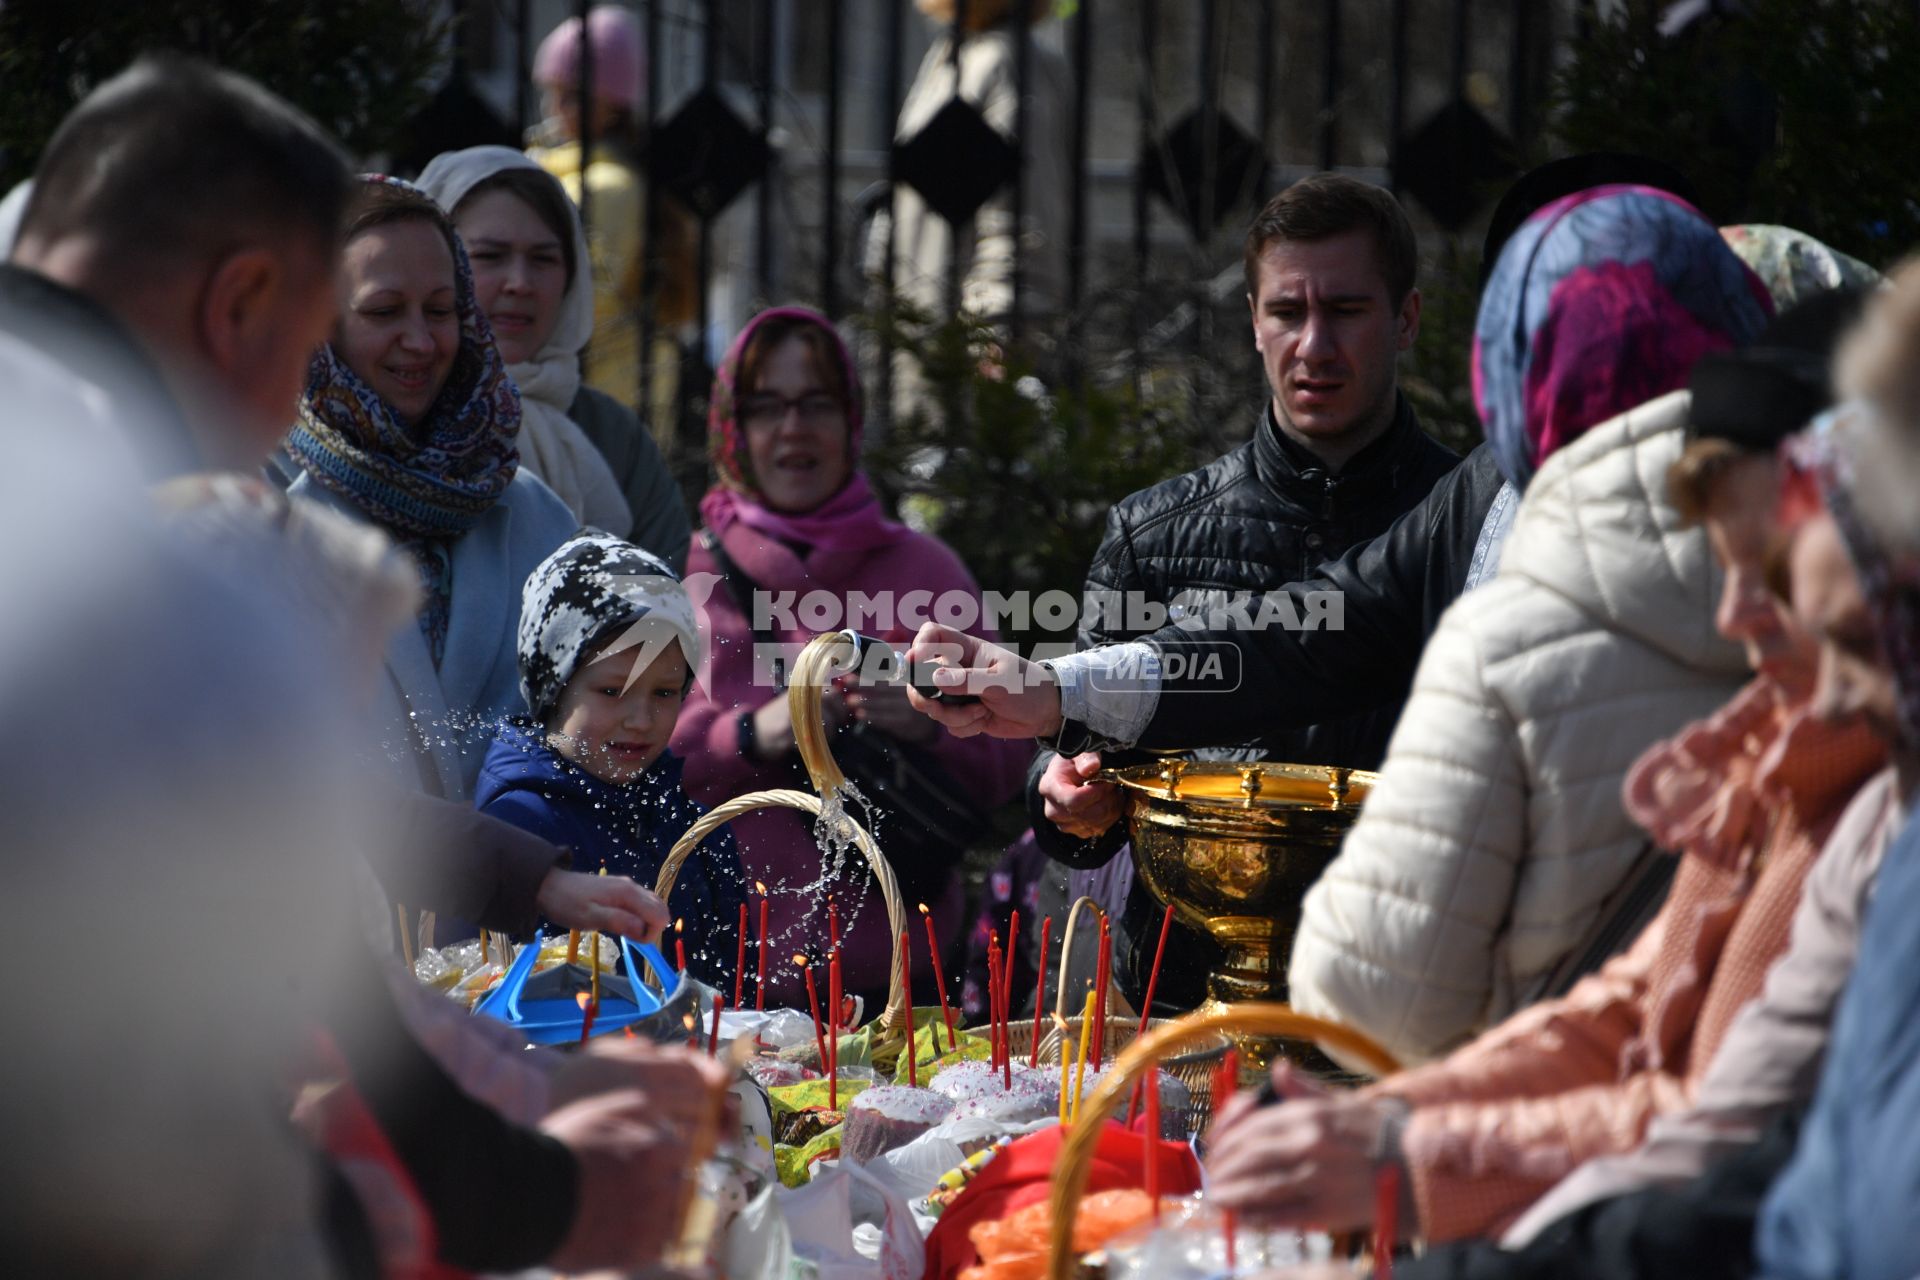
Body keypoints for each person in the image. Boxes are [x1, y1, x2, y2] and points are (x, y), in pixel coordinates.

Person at [0, 57, 718, 1276]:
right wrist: (549, 1195)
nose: (292, 417)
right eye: (317, 341)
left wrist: (526, 1085)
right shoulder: (146, 575)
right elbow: (161, 1145)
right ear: (244, 305)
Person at [1202, 289, 1882, 1253]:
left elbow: (1717, 1124)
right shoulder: (1775, 743)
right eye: (1723, 566)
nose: (1733, 616)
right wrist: (1387, 1122)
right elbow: (1628, 1013)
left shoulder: (1871, 799)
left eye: (1769, 571)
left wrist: (1404, 1150)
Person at [1028, 175, 1459, 1013]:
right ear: (1254, 324)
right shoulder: (1148, 535)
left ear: (1405, 319)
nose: (1315, 345)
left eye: (1347, 310)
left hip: (1404, 993)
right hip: (1183, 1002)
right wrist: (1064, 797)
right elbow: (1069, 753)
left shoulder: (1471, 522)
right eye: (1288, 312)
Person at [670, 305, 1028, 1004]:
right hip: (730, 989)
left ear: (851, 421)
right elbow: (647, 752)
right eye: (766, 406)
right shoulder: (691, 571)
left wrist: (929, 718)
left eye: (817, 405)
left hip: (909, 989)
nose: (794, 428)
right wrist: (759, 730)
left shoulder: (926, 569)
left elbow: (1010, 753)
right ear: (732, 430)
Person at [284, 175, 580, 803]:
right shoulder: (268, 509)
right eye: (384, 311)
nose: (420, 342)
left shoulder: (536, 517)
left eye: (441, 310)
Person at [477, 532, 746, 981]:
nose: (641, 719)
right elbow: (481, 993)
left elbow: (738, 986)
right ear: (553, 687)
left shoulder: (697, 829)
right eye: (611, 691)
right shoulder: (515, 830)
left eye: (664, 691)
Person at [418, 144, 691, 567]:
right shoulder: (392, 415)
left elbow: (658, 604)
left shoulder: (612, 435)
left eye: (543, 259)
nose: (520, 283)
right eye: (490, 256)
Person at [528, 4, 697, 440]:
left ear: (611, 107)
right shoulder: (577, 174)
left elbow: (580, 298)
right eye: (552, 91)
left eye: (570, 95)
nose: (553, 107)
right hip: (608, 396)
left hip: (602, 400)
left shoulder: (606, 187)